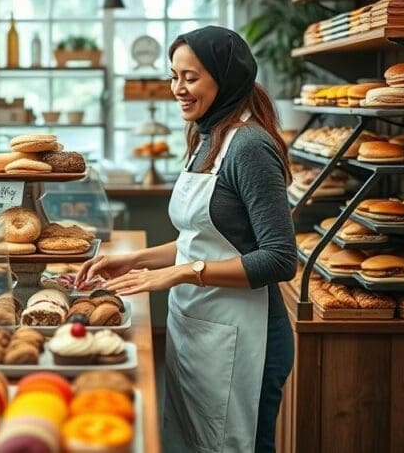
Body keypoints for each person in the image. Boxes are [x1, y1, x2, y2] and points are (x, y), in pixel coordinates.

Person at [76, 26, 296, 453]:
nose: (178, 88)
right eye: (173, 76)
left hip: (245, 337)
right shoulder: (207, 134)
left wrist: (182, 274)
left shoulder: (249, 146)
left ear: (225, 78)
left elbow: (280, 259)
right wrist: (136, 259)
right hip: (201, 328)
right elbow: (204, 239)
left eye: (190, 77)